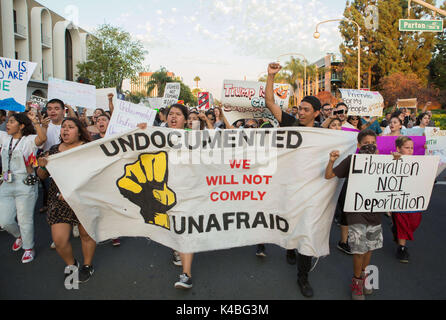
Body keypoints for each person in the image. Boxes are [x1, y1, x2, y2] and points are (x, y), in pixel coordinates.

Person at [266, 62, 322, 298]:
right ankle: (289, 246)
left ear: (316, 113)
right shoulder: (289, 123)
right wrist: (271, 76)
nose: (300, 112)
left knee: (307, 231)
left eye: (306, 109)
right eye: (299, 108)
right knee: (289, 224)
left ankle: (303, 277)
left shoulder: (324, 134)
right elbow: (270, 103)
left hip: (311, 190)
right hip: (288, 187)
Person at [37, 117, 97, 284]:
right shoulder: (53, 151)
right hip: (59, 200)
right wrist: (42, 166)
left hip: (83, 197)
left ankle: (87, 265)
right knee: (59, 240)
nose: (65, 130)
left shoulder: (88, 149)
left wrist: (74, 190)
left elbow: (95, 174)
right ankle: (72, 264)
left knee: (86, 234)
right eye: (64, 127)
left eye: (70, 127)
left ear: (79, 131)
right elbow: (42, 176)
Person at [325, 129, 383, 300]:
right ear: (359, 145)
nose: (370, 146)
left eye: (373, 143)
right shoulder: (352, 161)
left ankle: (365, 276)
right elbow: (329, 175)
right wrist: (332, 161)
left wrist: (394, 160)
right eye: (366, 143)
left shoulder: (383, 161)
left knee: (370, 247)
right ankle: (357, 281)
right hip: (356, 211)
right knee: (359, 249)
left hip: (375, 210)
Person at [0, 112, 47, 264]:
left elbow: (42, 138)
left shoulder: (29, 140)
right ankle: (19, 236)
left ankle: (28, 248)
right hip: (6, 183)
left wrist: (35, 122)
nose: (7, 124)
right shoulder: (5, 138)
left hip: (25, 184)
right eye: (7, 121)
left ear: (21, 126)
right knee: (4, 221)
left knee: (24, 219)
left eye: (12, 121)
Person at [391, 137, 422, 263]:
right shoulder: (393, 159)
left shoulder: (418, 161)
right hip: (399, 199)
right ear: (398, 148)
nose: (410, 151)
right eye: (406, 148)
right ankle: (402, 248)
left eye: (411, 148)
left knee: (414, 222)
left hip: (413, 198)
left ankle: (396, 230)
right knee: (402, 222)